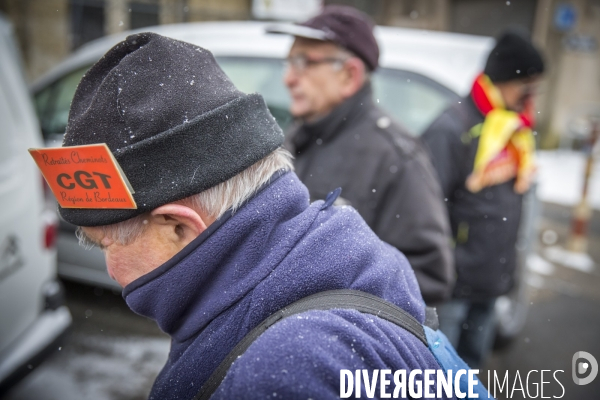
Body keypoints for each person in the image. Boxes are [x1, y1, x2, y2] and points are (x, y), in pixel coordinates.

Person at [41, 32, 491, 399]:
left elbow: (431, 266)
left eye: (107, 242)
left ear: (178, 225)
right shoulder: (326, 253)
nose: (109, 267)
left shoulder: (282, 372)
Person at [267, 5, 454, 305]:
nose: (288, 78)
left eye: (303, 62)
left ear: (350, 76)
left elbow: (428, 277)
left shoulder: (395, 157)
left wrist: (328, 305)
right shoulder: (299, 134)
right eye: (289, 62)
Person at [421, 31, 545, 368]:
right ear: (505, 79)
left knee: (472, 367)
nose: (531, 97)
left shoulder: (510, 128)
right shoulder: (453, 127)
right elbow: (427, 208)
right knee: (440, 374)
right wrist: (448, 266)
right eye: (527, 87)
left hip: (489, 280)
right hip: (455, 286)